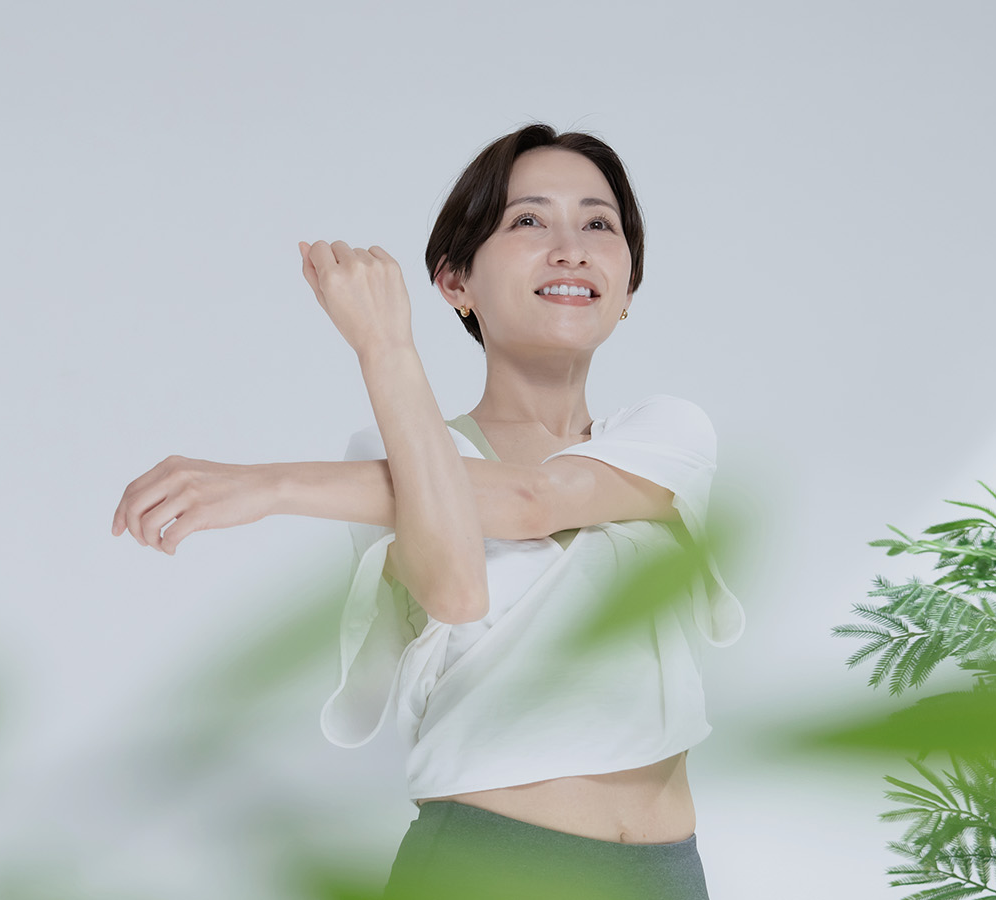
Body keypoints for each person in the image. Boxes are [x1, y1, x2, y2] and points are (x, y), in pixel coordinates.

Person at [111, 122, 744, 899]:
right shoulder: (392, 456)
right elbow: (456, 589)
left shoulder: (669, 435)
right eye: (529, 220)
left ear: (628, 290)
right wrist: (385, 346)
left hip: (663, 876)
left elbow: (534, 499)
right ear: (454, 282)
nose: (571, 249)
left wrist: (270, 485)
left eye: (599, 225)